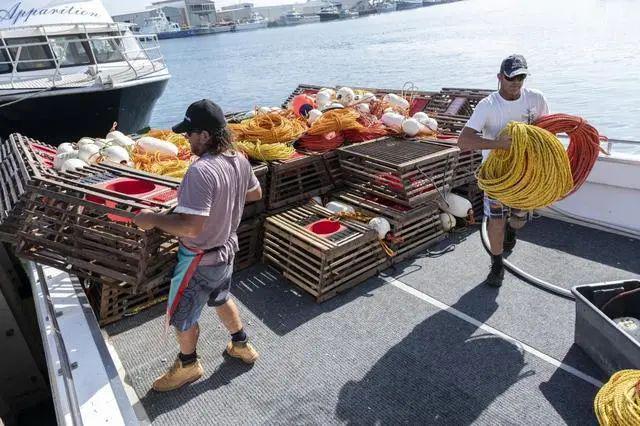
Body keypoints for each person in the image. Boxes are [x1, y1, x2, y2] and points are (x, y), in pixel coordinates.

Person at [133, 99, 262, 392]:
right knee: (220, 297)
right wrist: (225, 200)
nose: (186, 139)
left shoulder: (200, 171)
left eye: (190, 134)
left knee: (183, 317)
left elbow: (191, 226)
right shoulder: (239, 159)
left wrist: (152, 218)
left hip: (199, 260)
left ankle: (188, 365)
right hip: (227, 251)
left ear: (204, 135)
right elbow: (255, 193)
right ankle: (241, 345)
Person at [458, 54, 549, 287]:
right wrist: (499, 144)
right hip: (497, 176)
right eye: (511, 77)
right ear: (500, 77)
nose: (516, 82)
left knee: (518, 219)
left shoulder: (536, 99)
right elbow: (464, 140)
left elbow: (548, 132)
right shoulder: (488, 106)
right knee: (496, 221)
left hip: (524, 173)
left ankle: (513, 227)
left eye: (521, 77)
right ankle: (497, 266)